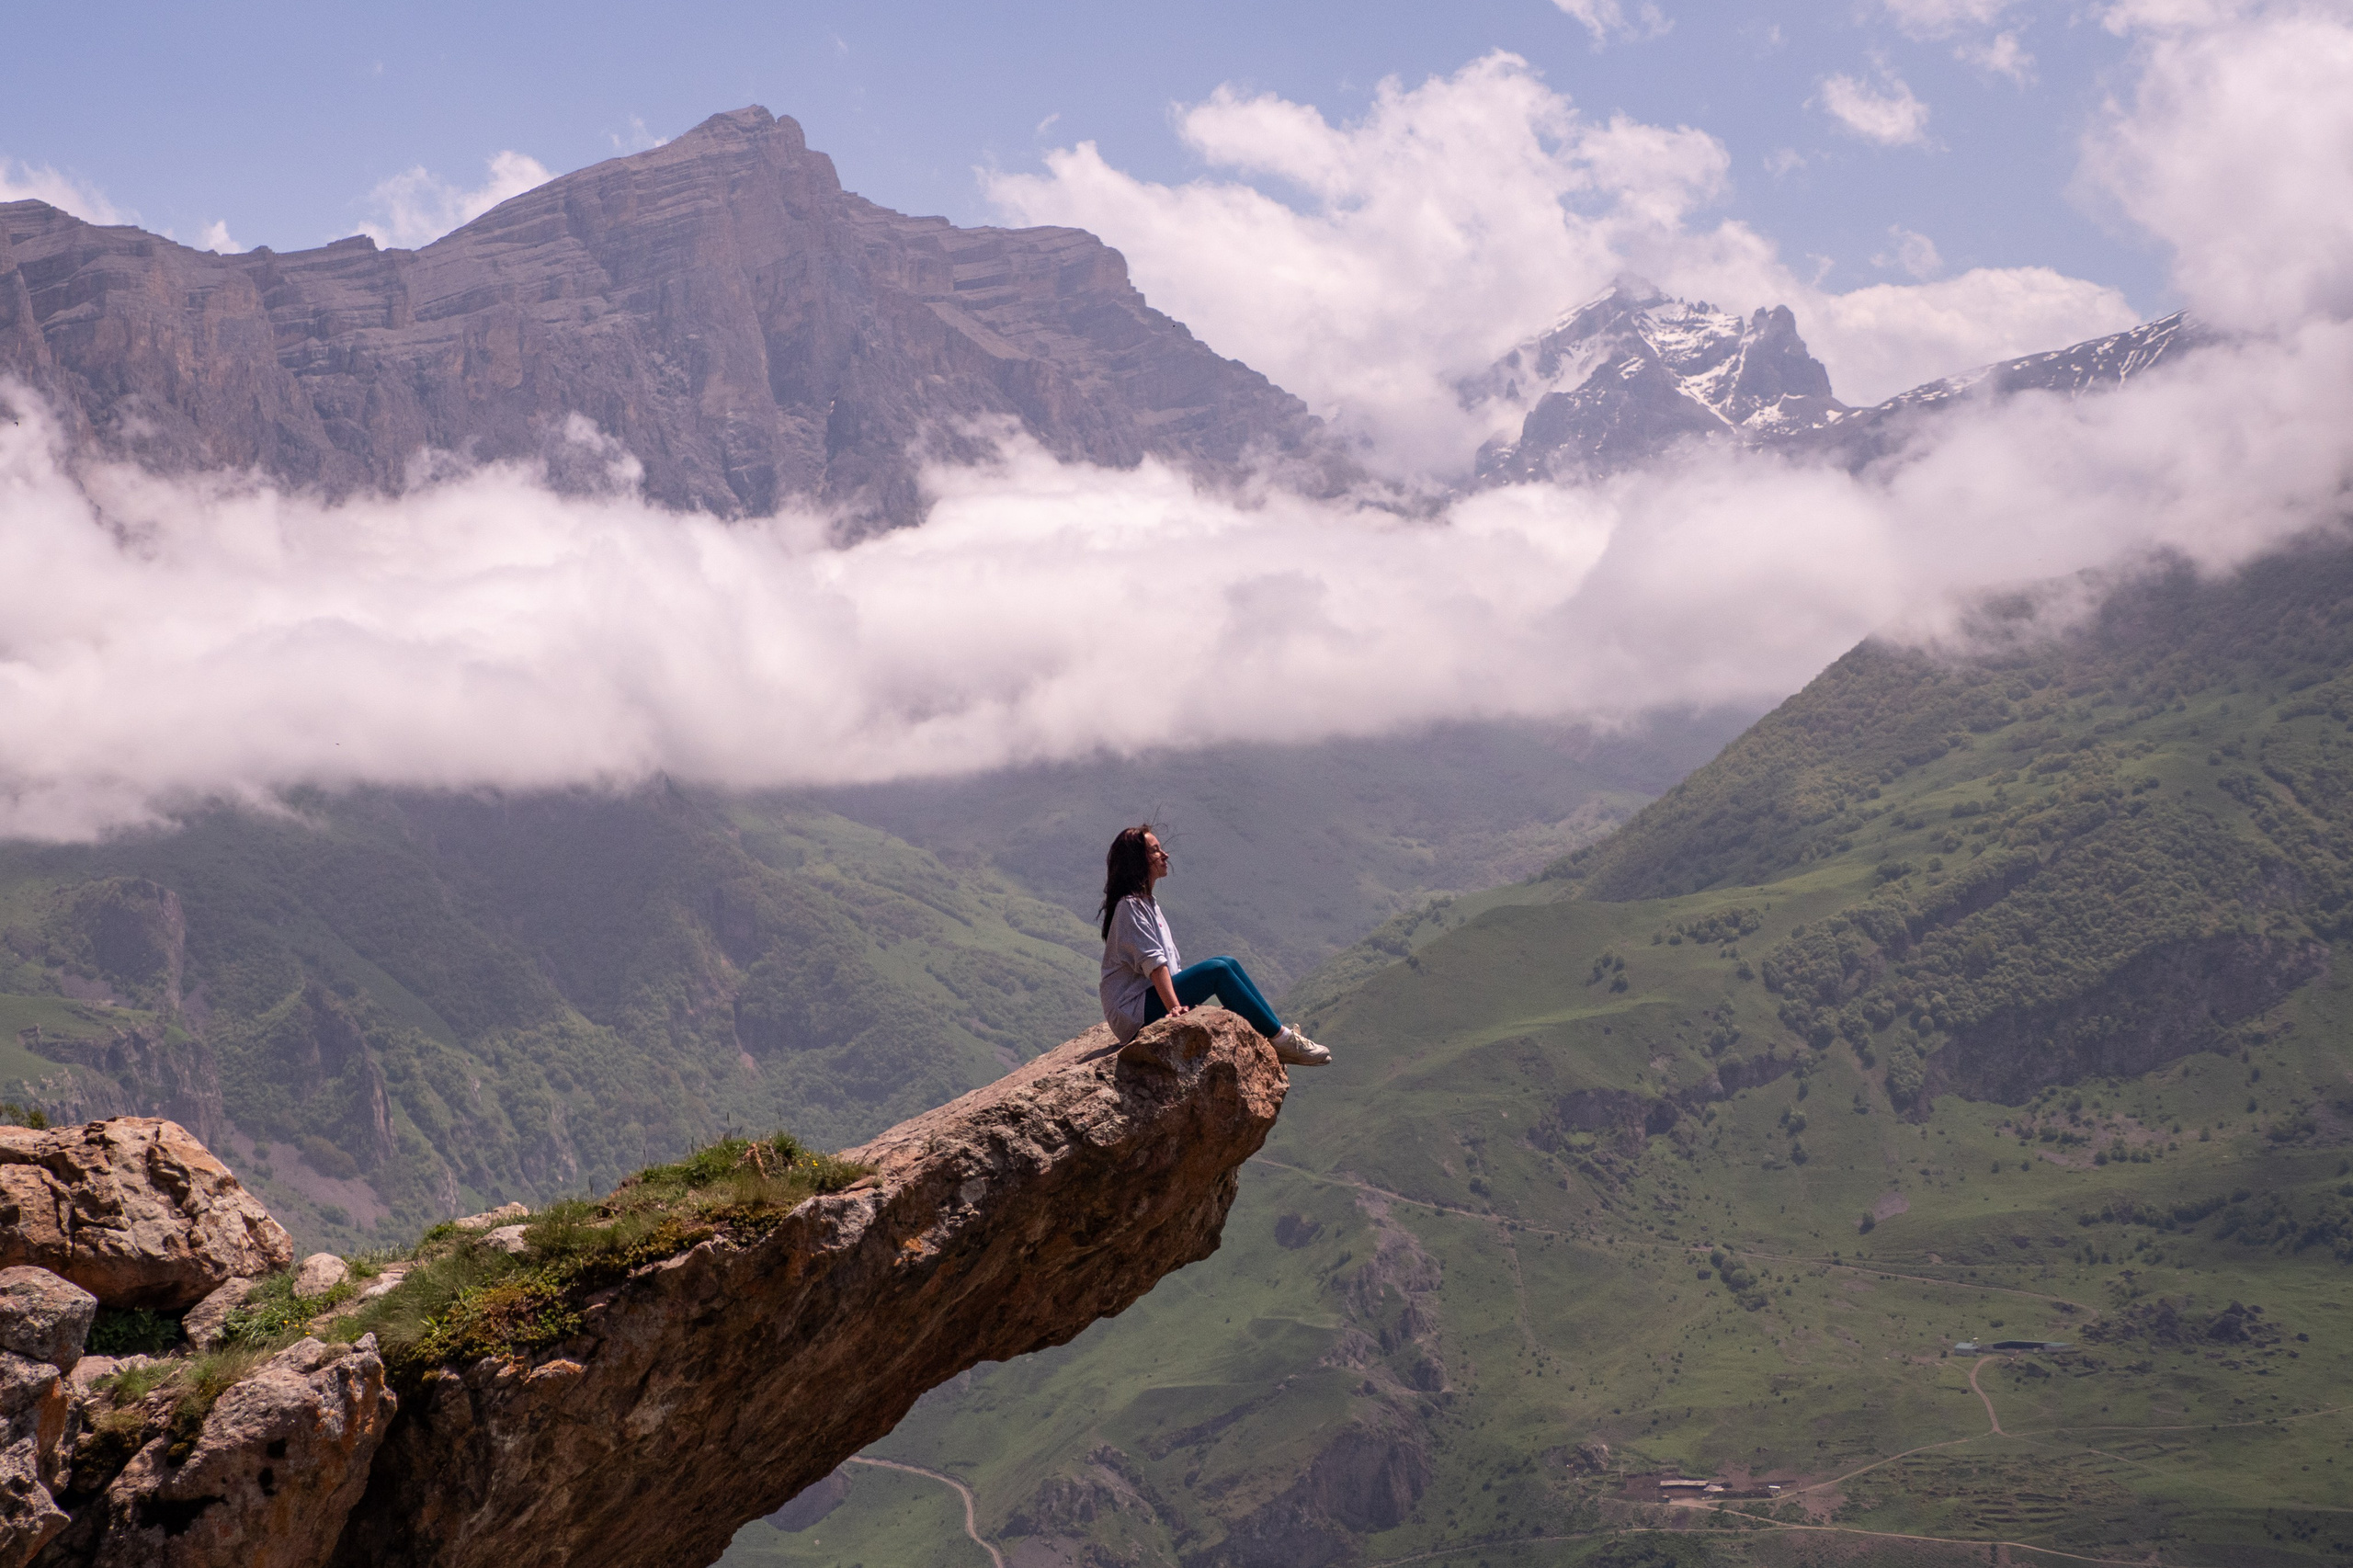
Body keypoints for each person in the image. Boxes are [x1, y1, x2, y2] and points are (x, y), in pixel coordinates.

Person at [1097, 824, 1332, 1067]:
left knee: (1227, 962)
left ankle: (1279, 1034)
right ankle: (1281, 1039)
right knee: (1217, 971)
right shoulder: (1130, 906)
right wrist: (1175, 1008)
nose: (1164, 855)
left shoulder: (1146, 903)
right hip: (1133, 1012)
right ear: (1137, 860)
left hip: (1144, 1003)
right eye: (1155, 851)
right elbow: (1155, 965)